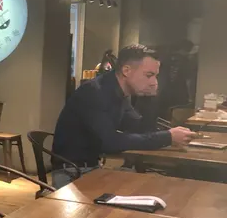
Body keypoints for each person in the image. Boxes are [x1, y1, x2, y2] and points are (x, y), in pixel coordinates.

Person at [52, 44, 194, 188]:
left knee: (153, 188)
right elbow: (110, 143)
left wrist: (149, 99)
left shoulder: (120, 93)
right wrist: (168, 137)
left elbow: (140, 128)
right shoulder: (95, 92)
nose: (154, 82)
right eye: (149, 75)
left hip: (91, 167)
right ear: (126, 70)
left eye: (155, 76)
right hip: (72, 172)